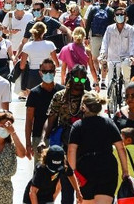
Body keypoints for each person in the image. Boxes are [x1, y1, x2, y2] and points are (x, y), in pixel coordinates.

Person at [68, 91, 130, 204]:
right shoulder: (108, 123)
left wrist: (72, 173)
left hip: (85, 168)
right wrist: (125, 170)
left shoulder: (78, 126)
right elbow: (120, 147)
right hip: (107, 166)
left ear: (83, 107)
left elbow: (72, 150)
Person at [43, 65, 89, 204]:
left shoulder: (89, 98)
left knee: (85, 189)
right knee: (67, 187)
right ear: (70, 77)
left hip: (84, 148)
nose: (78, 82)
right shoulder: (60, 96)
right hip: (64, 145)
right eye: (76, 78)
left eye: (82, 79)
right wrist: (43, 139)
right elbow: (50, 119)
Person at [25, 58, 65, 163]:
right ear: (40, 73)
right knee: (40, 170)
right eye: (45, 71)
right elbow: (29, 120)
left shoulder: (62, 91)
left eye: (50, 71)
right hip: (38, 138)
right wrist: (28, 144)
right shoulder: (34, 93)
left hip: (59, 137)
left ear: (55, 72)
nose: (48, 74)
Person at [18, 22, 60, 98]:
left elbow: (22, 66)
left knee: (33, 100)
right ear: (44, 32)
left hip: (32, 75)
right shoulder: (50, 44)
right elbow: (57, 64)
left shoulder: (27, 46)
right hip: (47, 74)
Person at [99, 7, 134, 88]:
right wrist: (103, 54)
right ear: (114, 17)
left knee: (126, 77)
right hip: (112, 58)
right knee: (110, 80)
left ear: (125, 16)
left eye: (122, 14)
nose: (119, 16)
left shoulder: (130, 29)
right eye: (117, 14)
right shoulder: (110, 29)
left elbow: (132, 43)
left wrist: (132, 56)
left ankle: (127, 90)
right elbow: (105, 42)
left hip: (125, 58)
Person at [84, 0, 113, 81]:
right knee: (105, 58)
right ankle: (104, 80)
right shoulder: (110, 10)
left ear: (98, 1)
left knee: (94, 58)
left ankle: (97, 74)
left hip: (95, 36)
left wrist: (86, 36)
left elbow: (88, 23)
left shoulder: (93, 9)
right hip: (107, 37)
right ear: (108, 2)